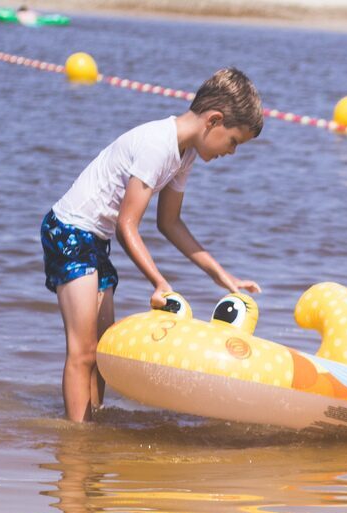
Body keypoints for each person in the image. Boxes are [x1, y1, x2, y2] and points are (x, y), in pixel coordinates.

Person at [41, 67, 263, 422]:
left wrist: (222, 276)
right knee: (82, 352)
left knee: (101, 352)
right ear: (214, 120)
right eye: (234, 141)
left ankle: (91, 428)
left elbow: (169, 222)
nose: (232, 152)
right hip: (70, 230)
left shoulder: (185, 153)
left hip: (96, 238)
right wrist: (159, 282)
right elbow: (127, 225)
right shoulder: (157, 145)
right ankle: (77, 441)